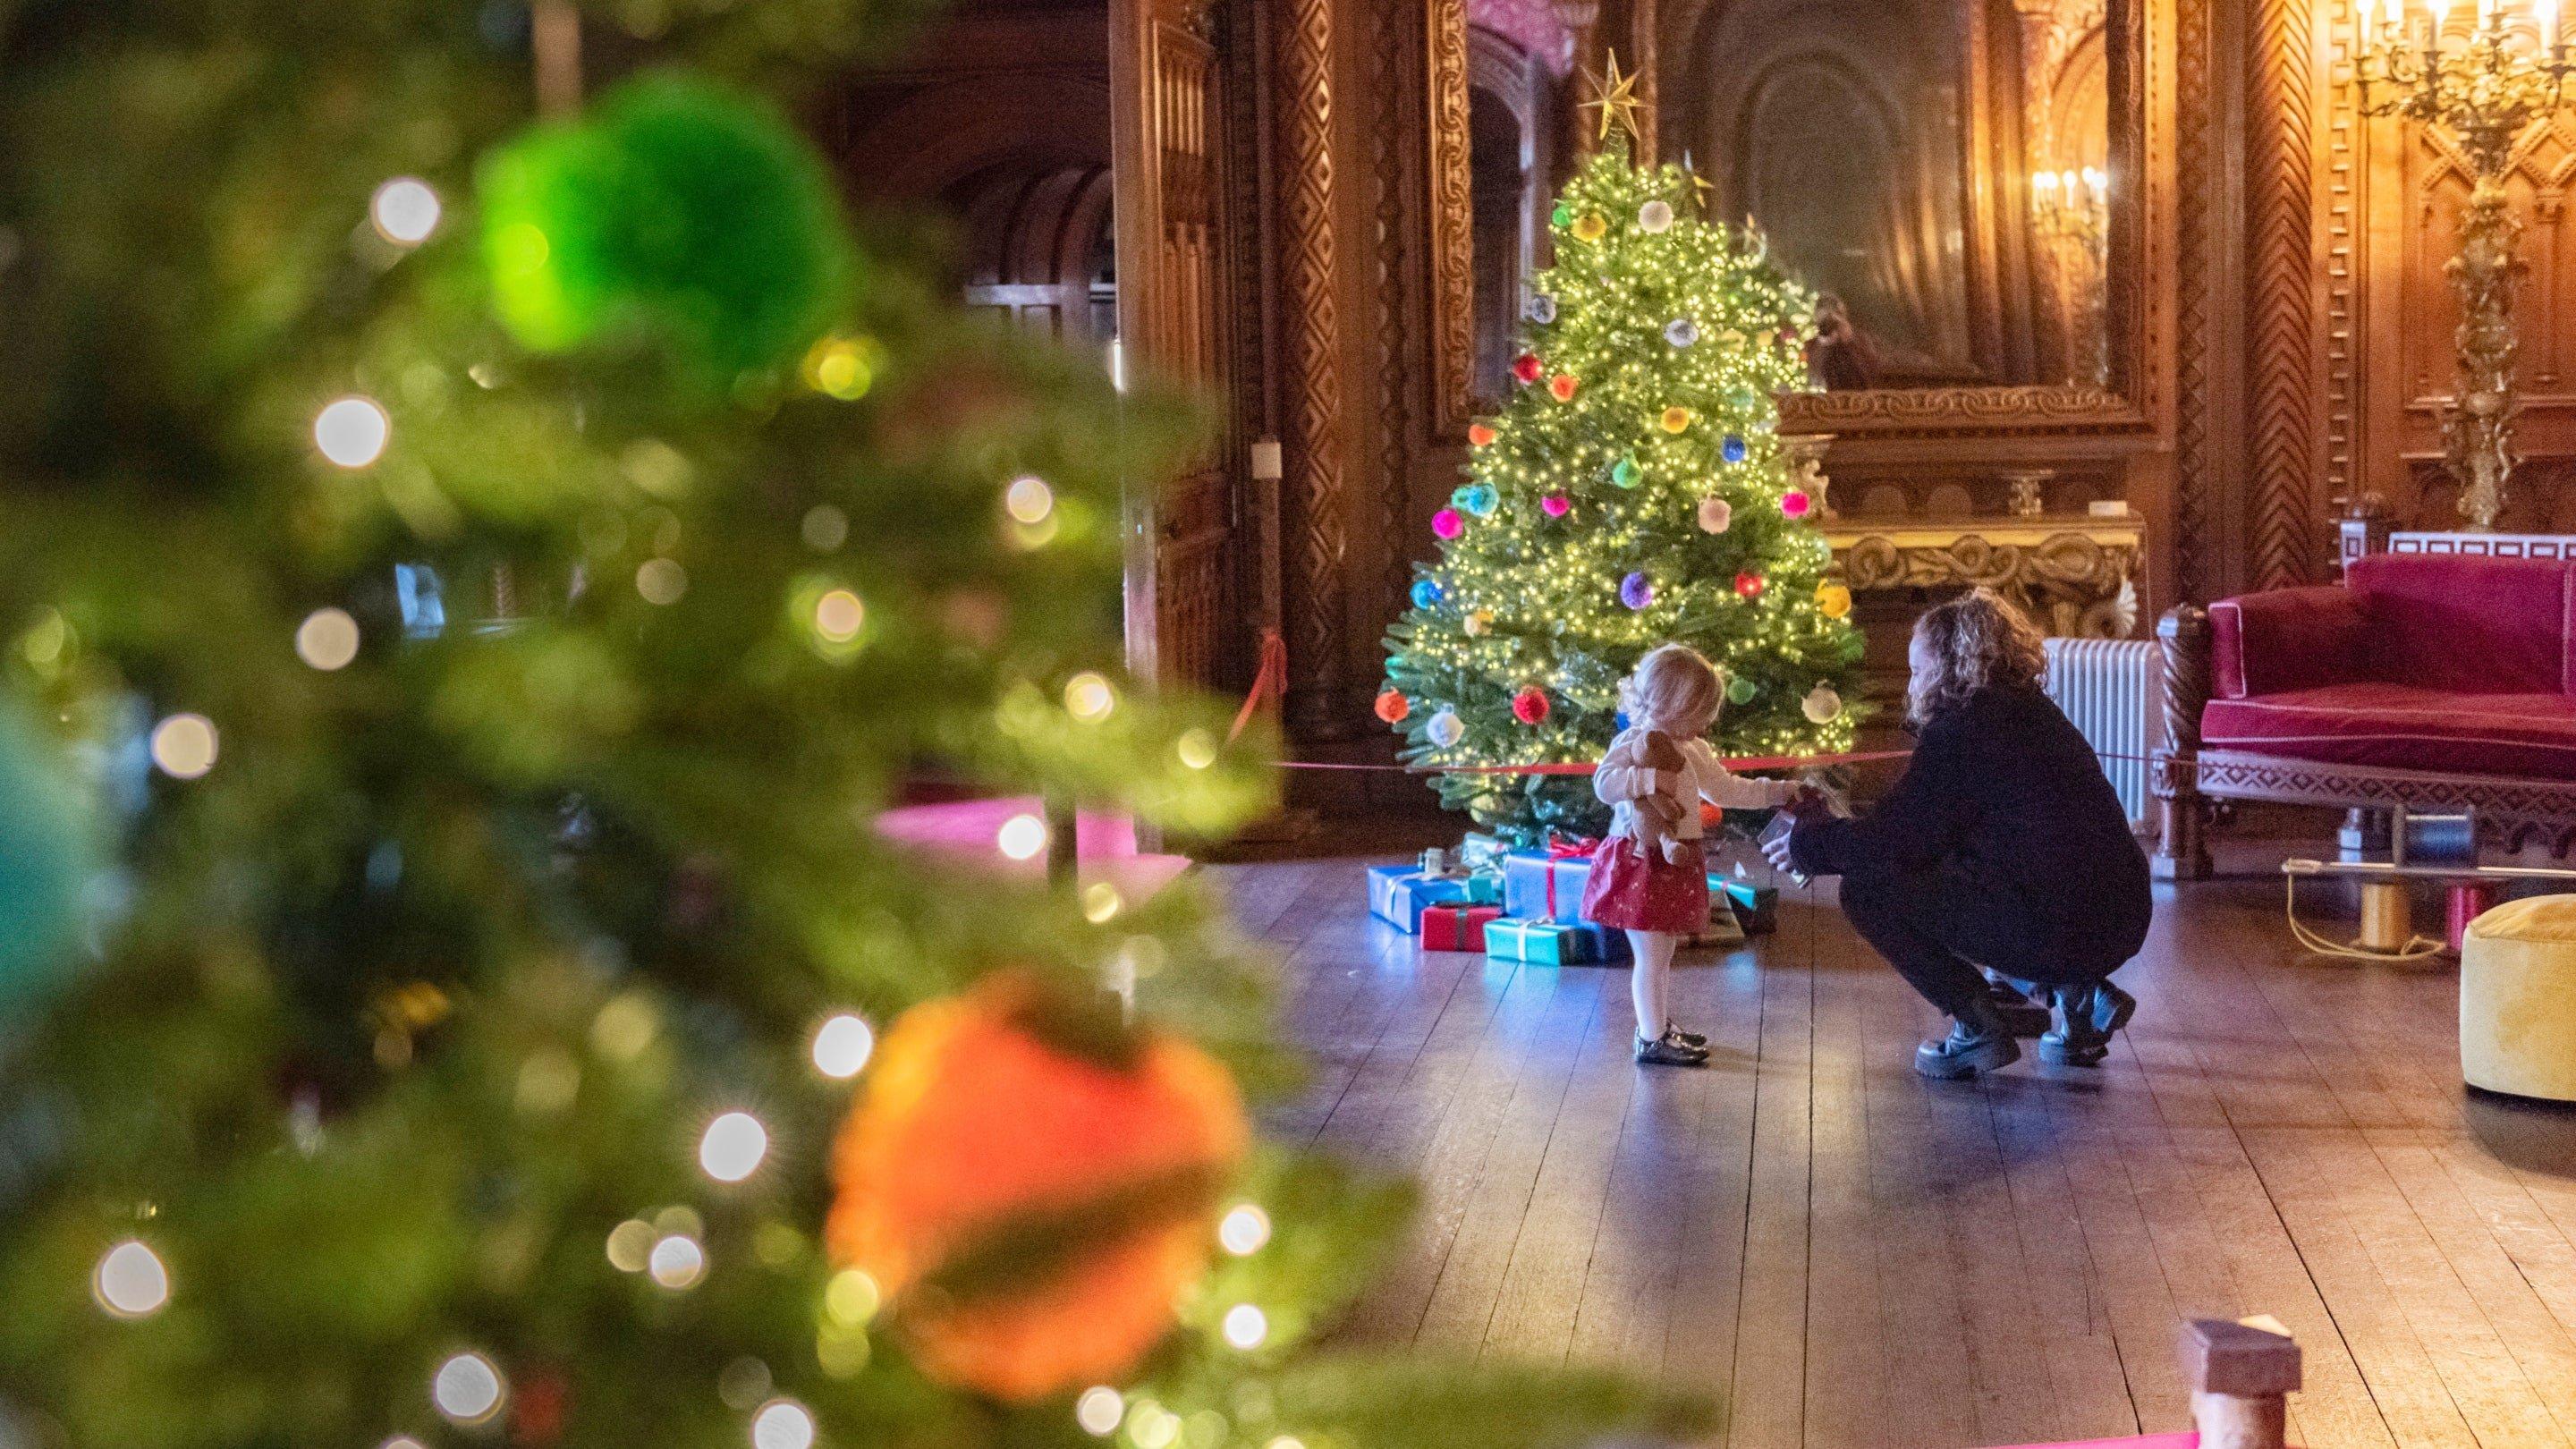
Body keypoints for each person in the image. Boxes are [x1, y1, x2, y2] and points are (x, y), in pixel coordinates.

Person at [1764, 589, 2150, 1079]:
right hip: (2123, 915)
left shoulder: (1963, 729)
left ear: (1951, 666)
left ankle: (1978, 1027)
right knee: (1973, 875)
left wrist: (1807, 845)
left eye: (1918, 670)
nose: (1912, 685)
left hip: (2059, 925)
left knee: (1867, 891)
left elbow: (1896, 841)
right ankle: (2078, 1000)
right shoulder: (2035, 711)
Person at [1589, 644, 1801, 1066]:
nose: (1706, 722)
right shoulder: (1632, 742)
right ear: (1672, 704)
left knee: (1662, 954)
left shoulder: (1694, 749)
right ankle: (1650, 1038)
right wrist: (1649, 779)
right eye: (1699, 712)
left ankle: (1656, 1027)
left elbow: (1726, 790)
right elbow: (1604, 784)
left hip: (1676, 858)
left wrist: (1778, 791)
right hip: (1640, 860)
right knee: (1651, 957)